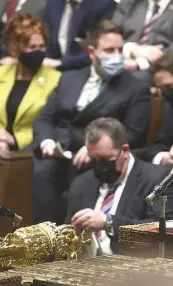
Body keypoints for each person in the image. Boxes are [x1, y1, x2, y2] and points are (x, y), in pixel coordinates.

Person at [32, 20, 151, 224]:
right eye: (109, 50)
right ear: (91, 52)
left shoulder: (135, 88)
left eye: (119, 49)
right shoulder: (69, 78)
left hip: (97, 158)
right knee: (40, 170)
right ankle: (44, 240)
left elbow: (134, 133)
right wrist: (47, 142)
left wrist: (95, 149)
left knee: (83, 180)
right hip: (60, 151)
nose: (116, 56)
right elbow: (45, 117)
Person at [66, 117, 173, 255]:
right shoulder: (81, 183)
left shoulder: (159, 180)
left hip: (131, 268)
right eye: (93, 160)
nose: (100, 166)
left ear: (125, 151)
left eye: (106, 160)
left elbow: (161, 231)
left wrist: (108, 222)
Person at [0, 13, 61, 152]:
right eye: (32, 47)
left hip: (30, 151)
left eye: (42, 46)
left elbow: (49, 124)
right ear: (15, 49)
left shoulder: (55, 80)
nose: (38, 52)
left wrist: (13, 140)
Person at [44, 0, 117, 71]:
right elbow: (47, 40)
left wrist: (61, 63)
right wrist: (46, 60)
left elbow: (99, 48)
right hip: (51, 68)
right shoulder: (53, 1)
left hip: (84, 69)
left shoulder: (103, 3)